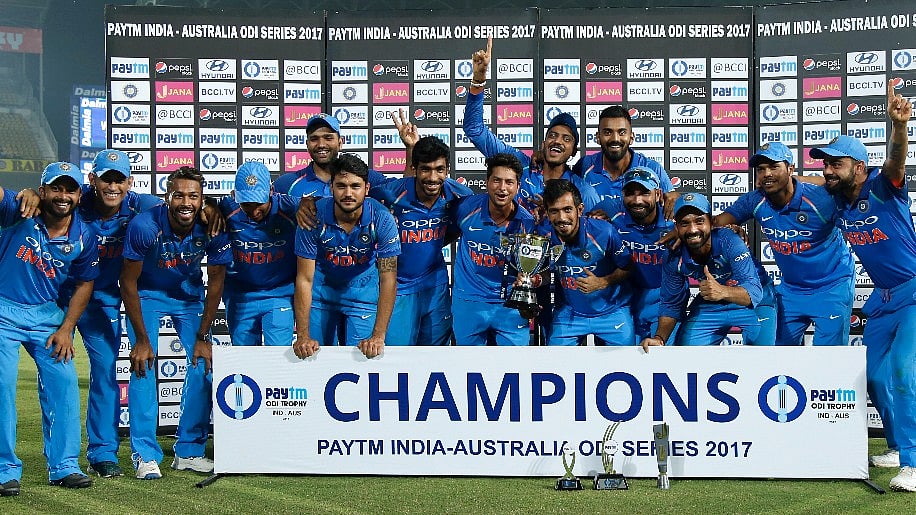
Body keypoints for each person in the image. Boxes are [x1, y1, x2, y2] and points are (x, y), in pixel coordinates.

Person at [809, 84, 915, 492]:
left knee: (905, 372)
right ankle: (894, 445)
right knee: (872, 377)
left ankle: (914, 461)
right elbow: (801, 183)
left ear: (859, 166)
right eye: (825, 165)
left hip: (913, 293)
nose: (828, 170)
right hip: (884, 299)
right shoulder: (839, 201)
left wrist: (898, 124)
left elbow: (895, 159)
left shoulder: (882, 186)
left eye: (836, 164)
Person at [120, 167, 231, 480]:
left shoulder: (213, 225)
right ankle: (144, 454)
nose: (186, 202)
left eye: (193, 196)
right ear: (166, 196)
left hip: (188, 297)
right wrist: (141, 340)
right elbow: (127, 281)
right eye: (179, 195)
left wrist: (203, 335)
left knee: (203, 363)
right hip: (148, 295)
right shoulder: (145, 225)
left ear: (201, 199)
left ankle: (189, 451)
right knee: (143, 364)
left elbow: (218, 281)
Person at [61, 149, 161, 479]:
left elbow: (180, 210)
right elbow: (43, 200)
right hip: (58, 295)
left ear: (130, 182)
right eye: (107, 179)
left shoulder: (141, 206)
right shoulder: (76, 201)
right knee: (57, 375)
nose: (113, 186)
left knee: (105, 371)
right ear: (93, 180)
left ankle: (102, 452)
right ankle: (59, 457)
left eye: (120, 180)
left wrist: (212, 212)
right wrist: (30, 194)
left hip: (102, 298)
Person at [0, 162, 98, 495]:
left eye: (70, 190)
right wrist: (20, 195)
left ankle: (64, 466)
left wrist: (68, 328)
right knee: (1, 383)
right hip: (3, 307)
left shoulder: (84, 235)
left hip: (46, 315)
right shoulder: (20, 209)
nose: (63, 196)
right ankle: (4, 470)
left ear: (78, 195)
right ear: (42, 191)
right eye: (56, 188)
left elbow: (85, 283)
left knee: (65, 381)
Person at [716, 142, 854, 346]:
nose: (766, 174)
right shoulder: (756, 200)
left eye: (773, 167)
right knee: (779, 356)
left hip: (832, 286)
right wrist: (730, 229)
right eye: (761, 169)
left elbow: (851, 202)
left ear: (790, 168)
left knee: (829, 361)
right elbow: (716, 223)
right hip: (791, 290)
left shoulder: (821, 199)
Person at [463, 38, 600, 219]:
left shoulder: (583, 191)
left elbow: (593, 234)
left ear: (574, 152)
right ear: (544, 143)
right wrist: (478, 81)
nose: (557, 141)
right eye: (553, 135)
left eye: (566, 139)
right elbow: (475, 129)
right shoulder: (520, 164)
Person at [292, 154, 400, 359]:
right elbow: (305, 279)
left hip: (362, 298)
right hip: (321, 298)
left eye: (355, 186)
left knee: (362, 362)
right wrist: (303, 335)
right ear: (331, 187)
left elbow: (388, 279)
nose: (348, 193)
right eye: (341, 186)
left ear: (367, 189)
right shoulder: (312, 217)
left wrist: (378, 335)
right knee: (315, 361)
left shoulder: (382, 218)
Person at [369, 136, 472, 345]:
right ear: (413, 168)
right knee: (397, 356)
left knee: (435, 356)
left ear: (448, 169)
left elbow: (459, 229)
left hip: (436, 284)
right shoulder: (389, 193)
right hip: (398, 287)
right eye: (425, 169)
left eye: (439, 169)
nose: (433, 178)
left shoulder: (460, 196)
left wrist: (434, 241)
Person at [642, 193, 775, 350]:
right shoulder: (673, 257)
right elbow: (671, 304)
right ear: (676, 228)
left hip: (755, 302)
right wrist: (659, 338)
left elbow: (754, 291)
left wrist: (723, 291)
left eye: (699, 221)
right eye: (685, 223)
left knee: (764, 357)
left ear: (712, 223)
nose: (692, 230)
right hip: (711, 303)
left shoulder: (730, 240)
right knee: (687, 356)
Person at [448, 153, 536, 346]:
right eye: (496, 180)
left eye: (509, 182)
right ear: (487, 182)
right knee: (468, 370)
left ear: (518, 187)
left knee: (515, 370)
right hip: (469, 300)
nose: (502, 188)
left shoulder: (528, 223)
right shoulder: (465, 208)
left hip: (510, 305)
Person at [538, 179, 632, 345]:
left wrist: (603, 282)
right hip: (569, 314)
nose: (561, 218)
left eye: (567, 210)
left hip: (611, 313)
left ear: (580, 209)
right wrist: (535, 280)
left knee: (624, 365)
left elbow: (628, 268)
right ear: (546, 212)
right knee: (553, 365)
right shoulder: (542, 236)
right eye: (554, 211)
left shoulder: (604, 232)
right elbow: (547, 273)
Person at [220, 162, 299, 346]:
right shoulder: (224, 210)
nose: (254, 211)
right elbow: (202, 206)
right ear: (234, 195)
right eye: (247, 204)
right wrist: (208, 207)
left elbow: (323, 206)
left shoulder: (290, 208)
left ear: (271, 190)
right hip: (240, 296)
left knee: (278, 358)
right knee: (244, 362)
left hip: (279, 293)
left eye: (259, 203)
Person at [598, 168, 676, 343]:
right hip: (625, 302)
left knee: (665, 360)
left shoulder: (676, 223)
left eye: (644, 193)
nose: (637, 200)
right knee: (624, 361)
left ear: (658, 195)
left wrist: (734, 229)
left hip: (664, 304)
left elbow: (711, 230)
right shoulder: (611, 218)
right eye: (630, 194)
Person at [573, 105, 678, 211]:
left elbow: (673, 199)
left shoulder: (651, 168)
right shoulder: (584, 165)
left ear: (631, 138)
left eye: (622, 132)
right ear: (598, 137)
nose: (615, 139)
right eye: (607, 132)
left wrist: (675, 198)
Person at [273, 113, 391, 198]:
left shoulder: (365, 177)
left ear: (340, 143)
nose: (321, 144)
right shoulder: (286, 184)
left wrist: (410, 149)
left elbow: (406, 191)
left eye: (328, 138)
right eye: (314, 139)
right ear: (307, 144)